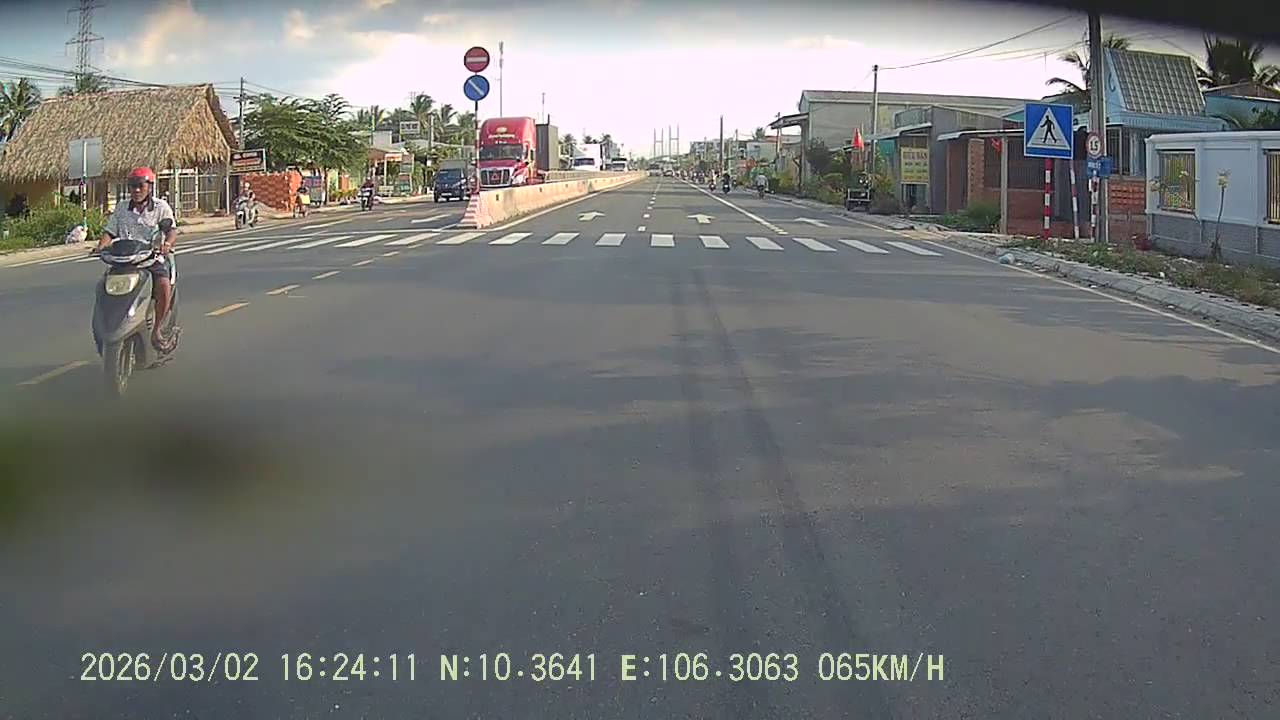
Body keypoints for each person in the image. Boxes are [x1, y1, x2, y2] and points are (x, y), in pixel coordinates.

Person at [95, 166, 177, 350]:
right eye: (133, 186)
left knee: (163, 285)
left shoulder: (161, 207)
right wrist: (101, 247)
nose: (137, 190)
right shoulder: (122, 208)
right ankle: (102, 327)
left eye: (141, 186)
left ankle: (157, 330)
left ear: (150, 187)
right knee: (102, 287)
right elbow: (110, 232)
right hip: (123, 260)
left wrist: (167, 244)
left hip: (150, 258)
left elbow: (171, 231)